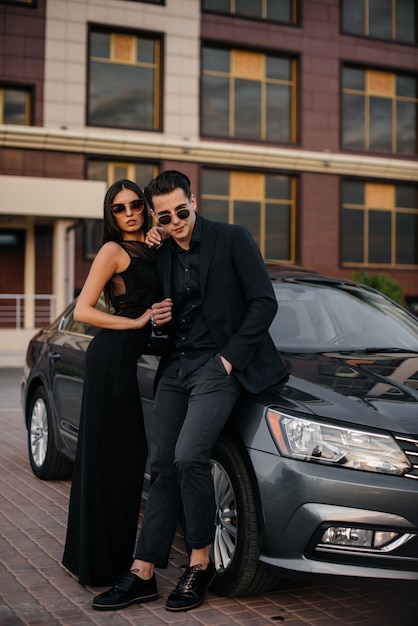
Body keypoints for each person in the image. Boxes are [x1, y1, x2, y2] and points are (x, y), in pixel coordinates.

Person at [92, 170, 289, 612]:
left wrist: (230, 358)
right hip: (176, 365)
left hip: (219, 366)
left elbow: (264, 302)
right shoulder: (160, 251)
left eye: (182, 210)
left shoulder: (232, 238)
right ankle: (143, 571)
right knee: (161, 462)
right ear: (156, 218)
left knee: (188, 456)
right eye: (165, 216)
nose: (176, 220)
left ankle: (199, 564)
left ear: (193, 201)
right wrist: (155, 319)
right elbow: (157, 307)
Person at [62, 179, 160, 589]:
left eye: (135, 205)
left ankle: (109, 557)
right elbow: (84, 309)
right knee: (113, 460)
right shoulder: (112, 250)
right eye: (118, 209)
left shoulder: (153, 246)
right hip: (111, 360)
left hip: (130, 359)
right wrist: (135, 321)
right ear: (110, 215)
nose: (129, 214)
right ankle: (103, 564)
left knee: (125, 460)